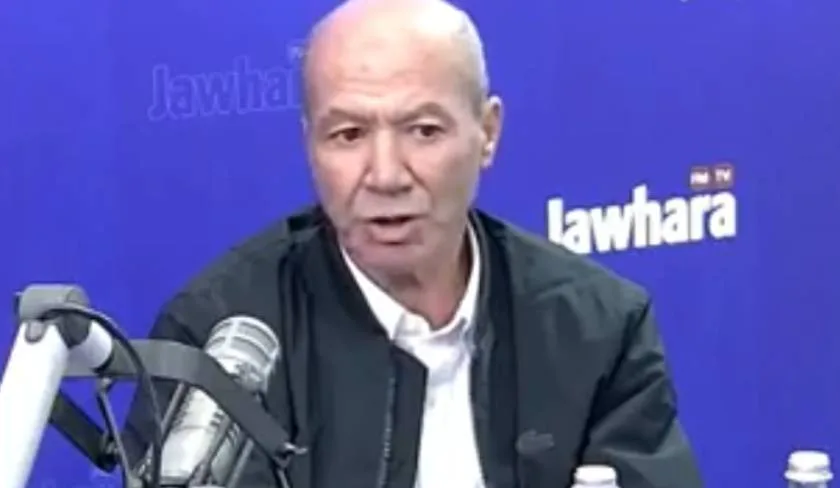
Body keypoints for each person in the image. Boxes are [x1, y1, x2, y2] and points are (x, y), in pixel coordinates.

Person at [124, 0, 703, 486]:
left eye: (423, 131)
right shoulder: (220, 340)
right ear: (309, 147)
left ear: (487, 133)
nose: (385, 174)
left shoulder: (598, 329)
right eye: (348, 134)